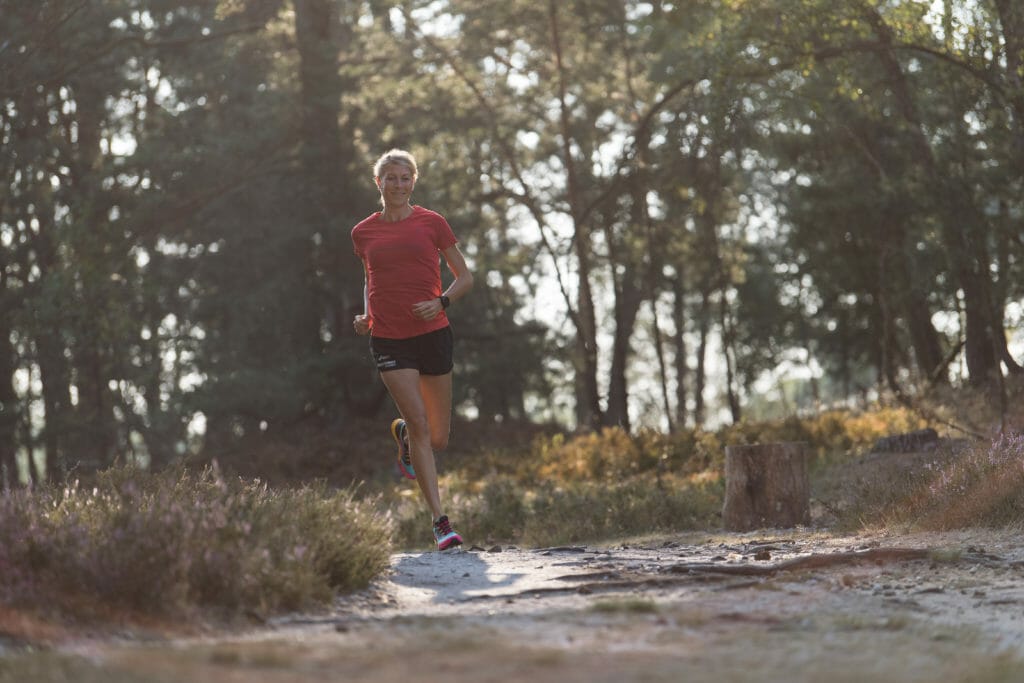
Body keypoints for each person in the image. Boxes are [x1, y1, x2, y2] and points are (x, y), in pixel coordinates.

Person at [351, 149, 474, 551]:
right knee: (422, 425)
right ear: (379, 183)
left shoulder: (432, 223)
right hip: (388, 338)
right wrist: (366, 314)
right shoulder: (363, 233)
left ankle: (404, 435)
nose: (398, 185)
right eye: (391, 178)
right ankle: (441, 523)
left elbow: (465, 276)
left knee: (436, 437)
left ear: (414, 181)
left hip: (433, 334)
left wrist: (442, 302)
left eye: (405, 178)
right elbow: (371, 280)